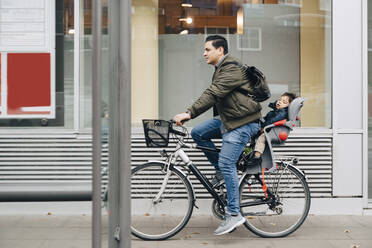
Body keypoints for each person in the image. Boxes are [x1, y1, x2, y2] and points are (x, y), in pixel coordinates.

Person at [173, 35, 262, 235]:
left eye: (207, 49)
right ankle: (222, 173)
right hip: (231, 118)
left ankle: (234, 213)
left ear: (220, 50)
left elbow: (214, 93)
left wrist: (189, 113)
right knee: (198, 133)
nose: (204, 53)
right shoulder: (221, 68)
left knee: (227, 162)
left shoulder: (231, 68)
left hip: (243, 122)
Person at [249, 92, 296, 166]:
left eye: (284, 102)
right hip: (269, 130)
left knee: (262, 138)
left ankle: (257, 156)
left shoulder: (282, 113)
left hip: (273, 132)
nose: (280, 102)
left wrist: (263, 127)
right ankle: (250, 152)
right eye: (279, 100)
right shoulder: (276, 111)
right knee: (254, 137)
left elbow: (272, 121)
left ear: (289, 106)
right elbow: (266, 119)